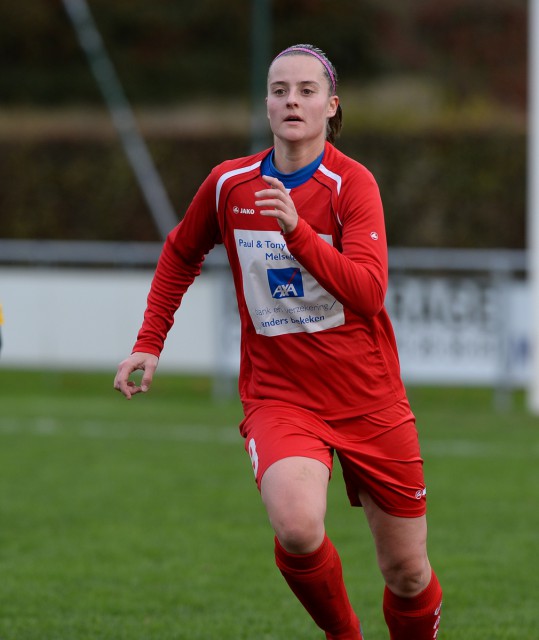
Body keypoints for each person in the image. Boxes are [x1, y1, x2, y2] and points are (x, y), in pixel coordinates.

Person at [114, 44, 443, 640]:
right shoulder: (230, 184)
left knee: (407, 572)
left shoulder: (352, 184)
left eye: (307, 91)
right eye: (280, 89)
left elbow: (367, 293)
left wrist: (298, 233)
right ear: (266, 105)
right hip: (281, 397)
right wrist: (148, 341)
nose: (293, 99)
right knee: (296, 526)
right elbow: (180, 252)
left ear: (331, 107)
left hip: (370, 399)